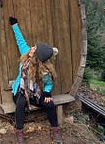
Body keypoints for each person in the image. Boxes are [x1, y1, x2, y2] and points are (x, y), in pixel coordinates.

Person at [8, 16, 63, 144]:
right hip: (21, 91)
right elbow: (20, 41)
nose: (31, 48)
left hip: (35, 94)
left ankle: (55, 130)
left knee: (50, 104)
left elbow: (49, 83)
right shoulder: (26, 54)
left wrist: (47, 93)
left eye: (34, 49)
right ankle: (20, 132)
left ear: (39, 57)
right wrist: (14, 25)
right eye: (33, 47)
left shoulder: (44, 71)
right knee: (20, 104)